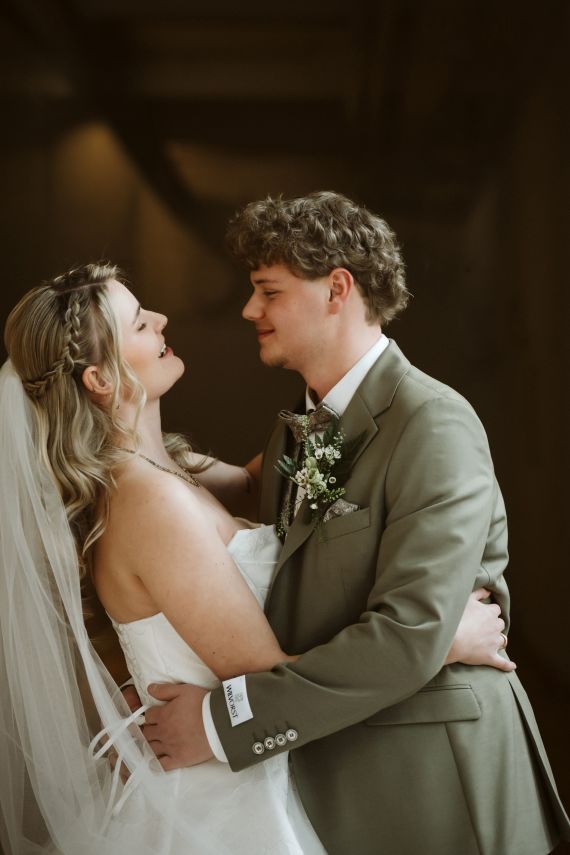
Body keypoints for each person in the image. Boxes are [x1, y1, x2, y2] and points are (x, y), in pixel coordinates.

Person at [0, 262, 509, 854]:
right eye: (139, 323)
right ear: (101, 380)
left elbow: (283, 478)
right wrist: (441, 641)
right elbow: (269, 675)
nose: (161, 319)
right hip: (222, 800)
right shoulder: (149, 503)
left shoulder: (172, 470)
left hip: (254, 765)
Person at [142, 192, 570, 855]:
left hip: (437, 781)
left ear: (337, 289)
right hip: (346, 773)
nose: (250, 309)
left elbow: (408, 634)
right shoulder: (299, 427)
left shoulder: (432, 423)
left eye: (268, 291)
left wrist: (224, 725)